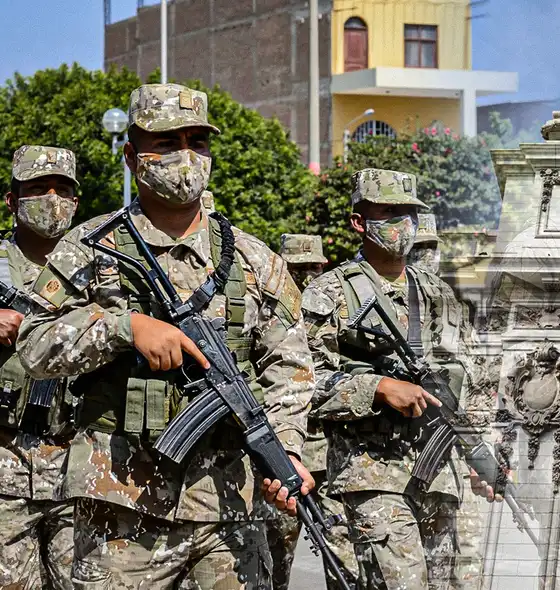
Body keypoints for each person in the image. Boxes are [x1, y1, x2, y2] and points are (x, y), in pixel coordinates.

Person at [17, 82, 315, 589]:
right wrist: (123, 327)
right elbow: (33, 343)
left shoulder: (253, 259)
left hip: (229, 508)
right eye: (167, 143)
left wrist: (285, 447)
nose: (185, 156)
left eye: (197, 142)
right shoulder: (88, 247)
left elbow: (290, 367)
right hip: (121, 510)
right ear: (132, 157)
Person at [301, 168, 497, 590]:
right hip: (372, 476)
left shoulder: (438, 293)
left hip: (441, 473)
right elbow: (302, 382)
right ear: (360, 222)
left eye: (408, 214)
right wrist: (378, 388)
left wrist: (484, 453)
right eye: (389, 213)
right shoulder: (329, 293)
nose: (402, 224)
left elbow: (474, 376)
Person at [0, 145, 80, 589]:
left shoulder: (103, 270)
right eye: (37, 188)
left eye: (63, 189)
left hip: (81, 470)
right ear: (12, 200)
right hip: (5, 467)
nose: (52, 198)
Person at [268, 233, 358, 590]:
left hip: (334, 457)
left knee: (345, 559)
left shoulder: (338, 310)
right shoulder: (271, 313)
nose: (305, 276)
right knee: (276, 556)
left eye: (312, 267)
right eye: (296, 269)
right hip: (287, 458)